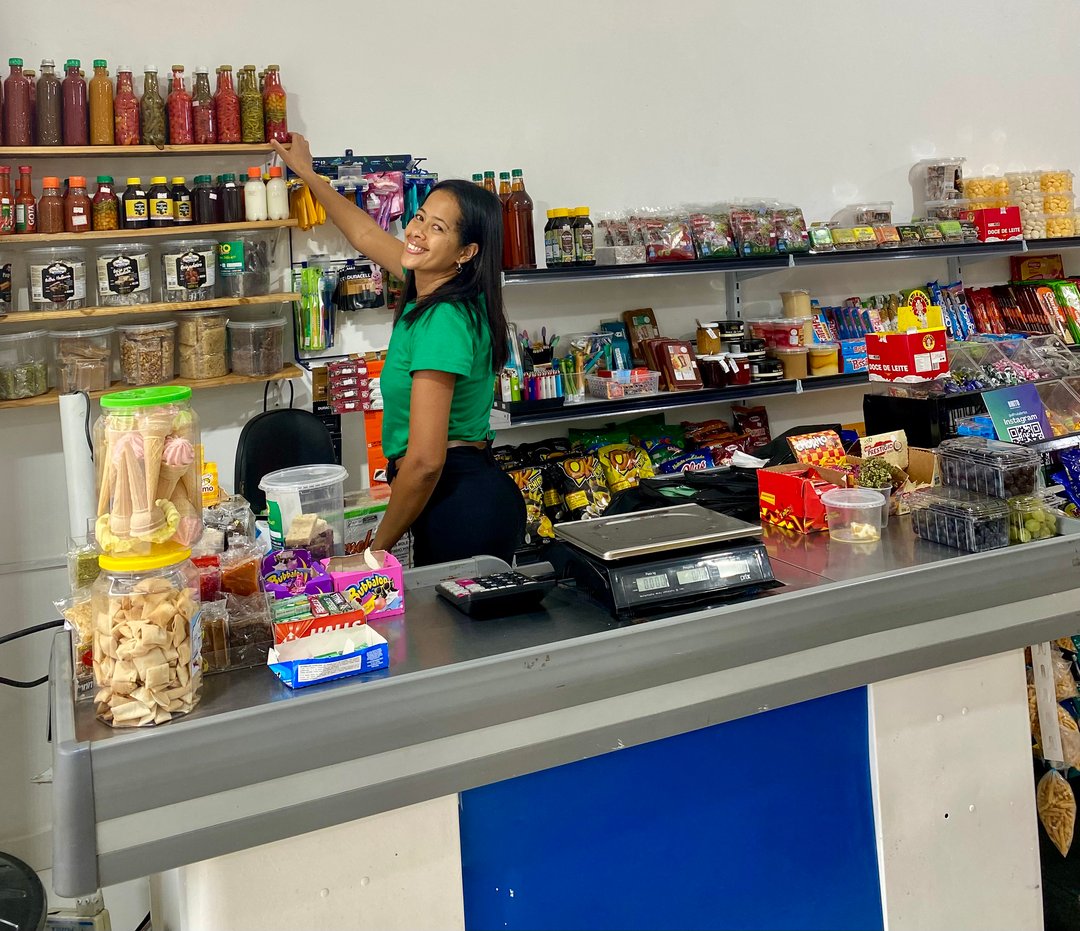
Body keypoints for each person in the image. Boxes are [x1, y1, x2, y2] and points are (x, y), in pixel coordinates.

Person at [273, 134, 526, 567]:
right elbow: (365, 233)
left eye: (437, 228)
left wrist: (374, 552)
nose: (416, 232)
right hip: (458, 495)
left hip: (460, 503)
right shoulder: (434, 287)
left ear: (466, 252)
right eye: (420, 217)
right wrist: (309, 174)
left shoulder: (442, 319)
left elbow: (425, 462)